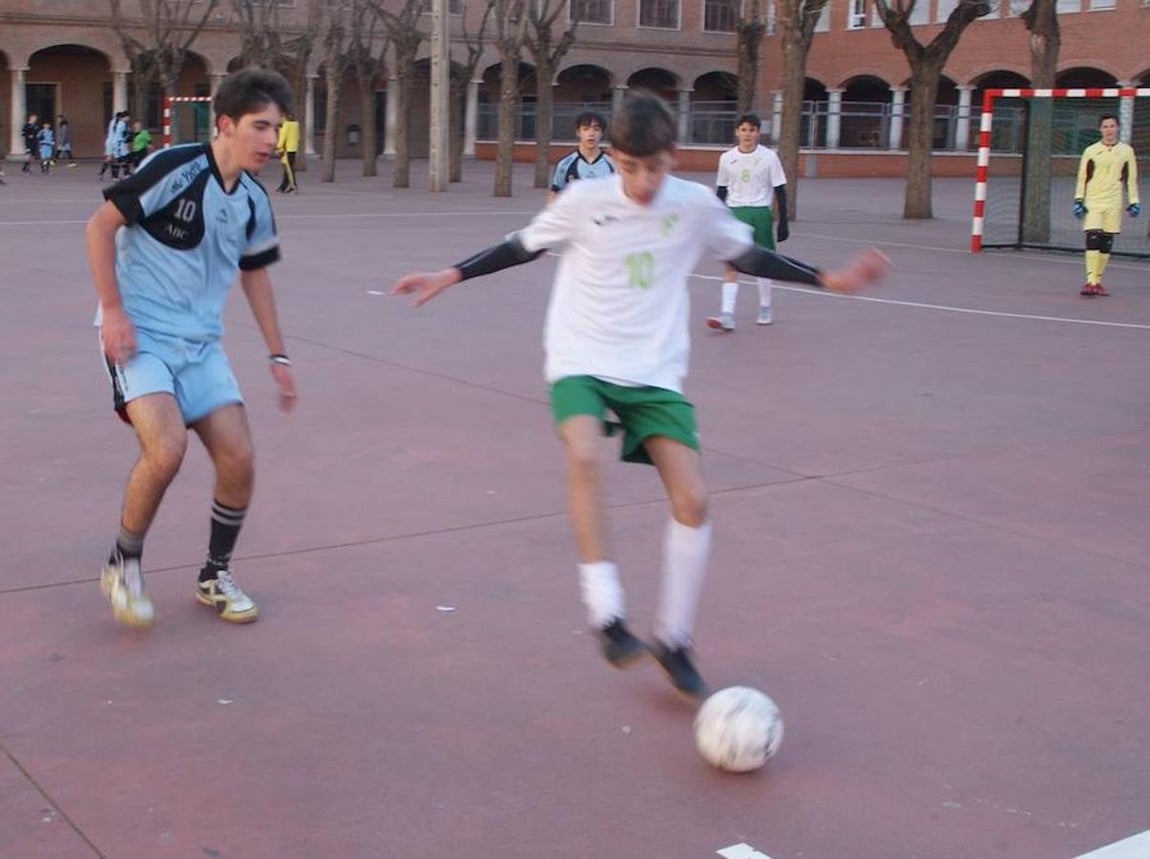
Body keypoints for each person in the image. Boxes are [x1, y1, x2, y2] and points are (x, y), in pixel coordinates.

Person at [391, 92, 888, 699]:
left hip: (653, 370)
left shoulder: (696, 206)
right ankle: (607, 614)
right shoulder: (584, 200)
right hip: (582, 358)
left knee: (693, 499)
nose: (642, 181)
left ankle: (674, 637)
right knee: (582, 453)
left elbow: (749, 253)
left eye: (653, 168)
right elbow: (522, 246)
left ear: (672, 159)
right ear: (616, 158)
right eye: (630, 167)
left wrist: (827, 279)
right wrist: (451, 274)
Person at [85, 68, 298, 628]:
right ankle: (123, 561)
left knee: (239, 457)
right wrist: (111, 310)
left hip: (200, 346)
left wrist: (279, 355)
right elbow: (99, 227)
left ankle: (214, 575)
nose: (269, 141)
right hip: (141, 335)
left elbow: (256, 276)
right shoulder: (173, 167)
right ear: (225, 124)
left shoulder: (253, 200)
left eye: (276, 129)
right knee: (167, 448)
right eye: (259, 127)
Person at [706, 113, 789, 330]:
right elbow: (721, 191)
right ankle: (727, 314)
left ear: (758, 133)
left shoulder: (769, 157)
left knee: (763, 263)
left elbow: (780, 190)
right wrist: (716, 219)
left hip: (760, 212)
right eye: (743, 130)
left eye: (752, 130)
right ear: (737, 132)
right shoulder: (726, 158)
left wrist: (783, 221)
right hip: (735, 212)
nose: (747, 134)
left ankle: (765, 307)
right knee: (731, 263)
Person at [1073, 114, 1140, 297]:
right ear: (1100, 129)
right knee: (1093, 236)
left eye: (1112, 126)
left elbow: (1131, 178)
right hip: (1093, 200)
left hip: (1114, 201)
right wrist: (1079, 199)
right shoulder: (1091, 151)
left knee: (1106, 240)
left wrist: (1134, 201)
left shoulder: (1126, 151)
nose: (1109, 130)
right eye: (1105, 126)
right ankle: (1090, 281)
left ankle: (1098, 281)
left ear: (1117, 128)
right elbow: (1082, 176)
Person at [546, 110, 615, 203]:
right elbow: (554, 193)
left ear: (602, 133)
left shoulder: (613, 164)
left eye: (596, 129)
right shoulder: (565, 164)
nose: (591, 134)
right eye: (586, 129)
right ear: (578, 132)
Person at [276, 112, 300, 193]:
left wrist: (278, 147)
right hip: (293, 148)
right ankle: (284, 185)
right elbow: (298, 136)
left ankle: (293, 186)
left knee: (289, 169)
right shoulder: (296, 124)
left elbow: (283, 137)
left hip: (286, 149)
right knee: (288, 167)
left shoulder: (286, 125)